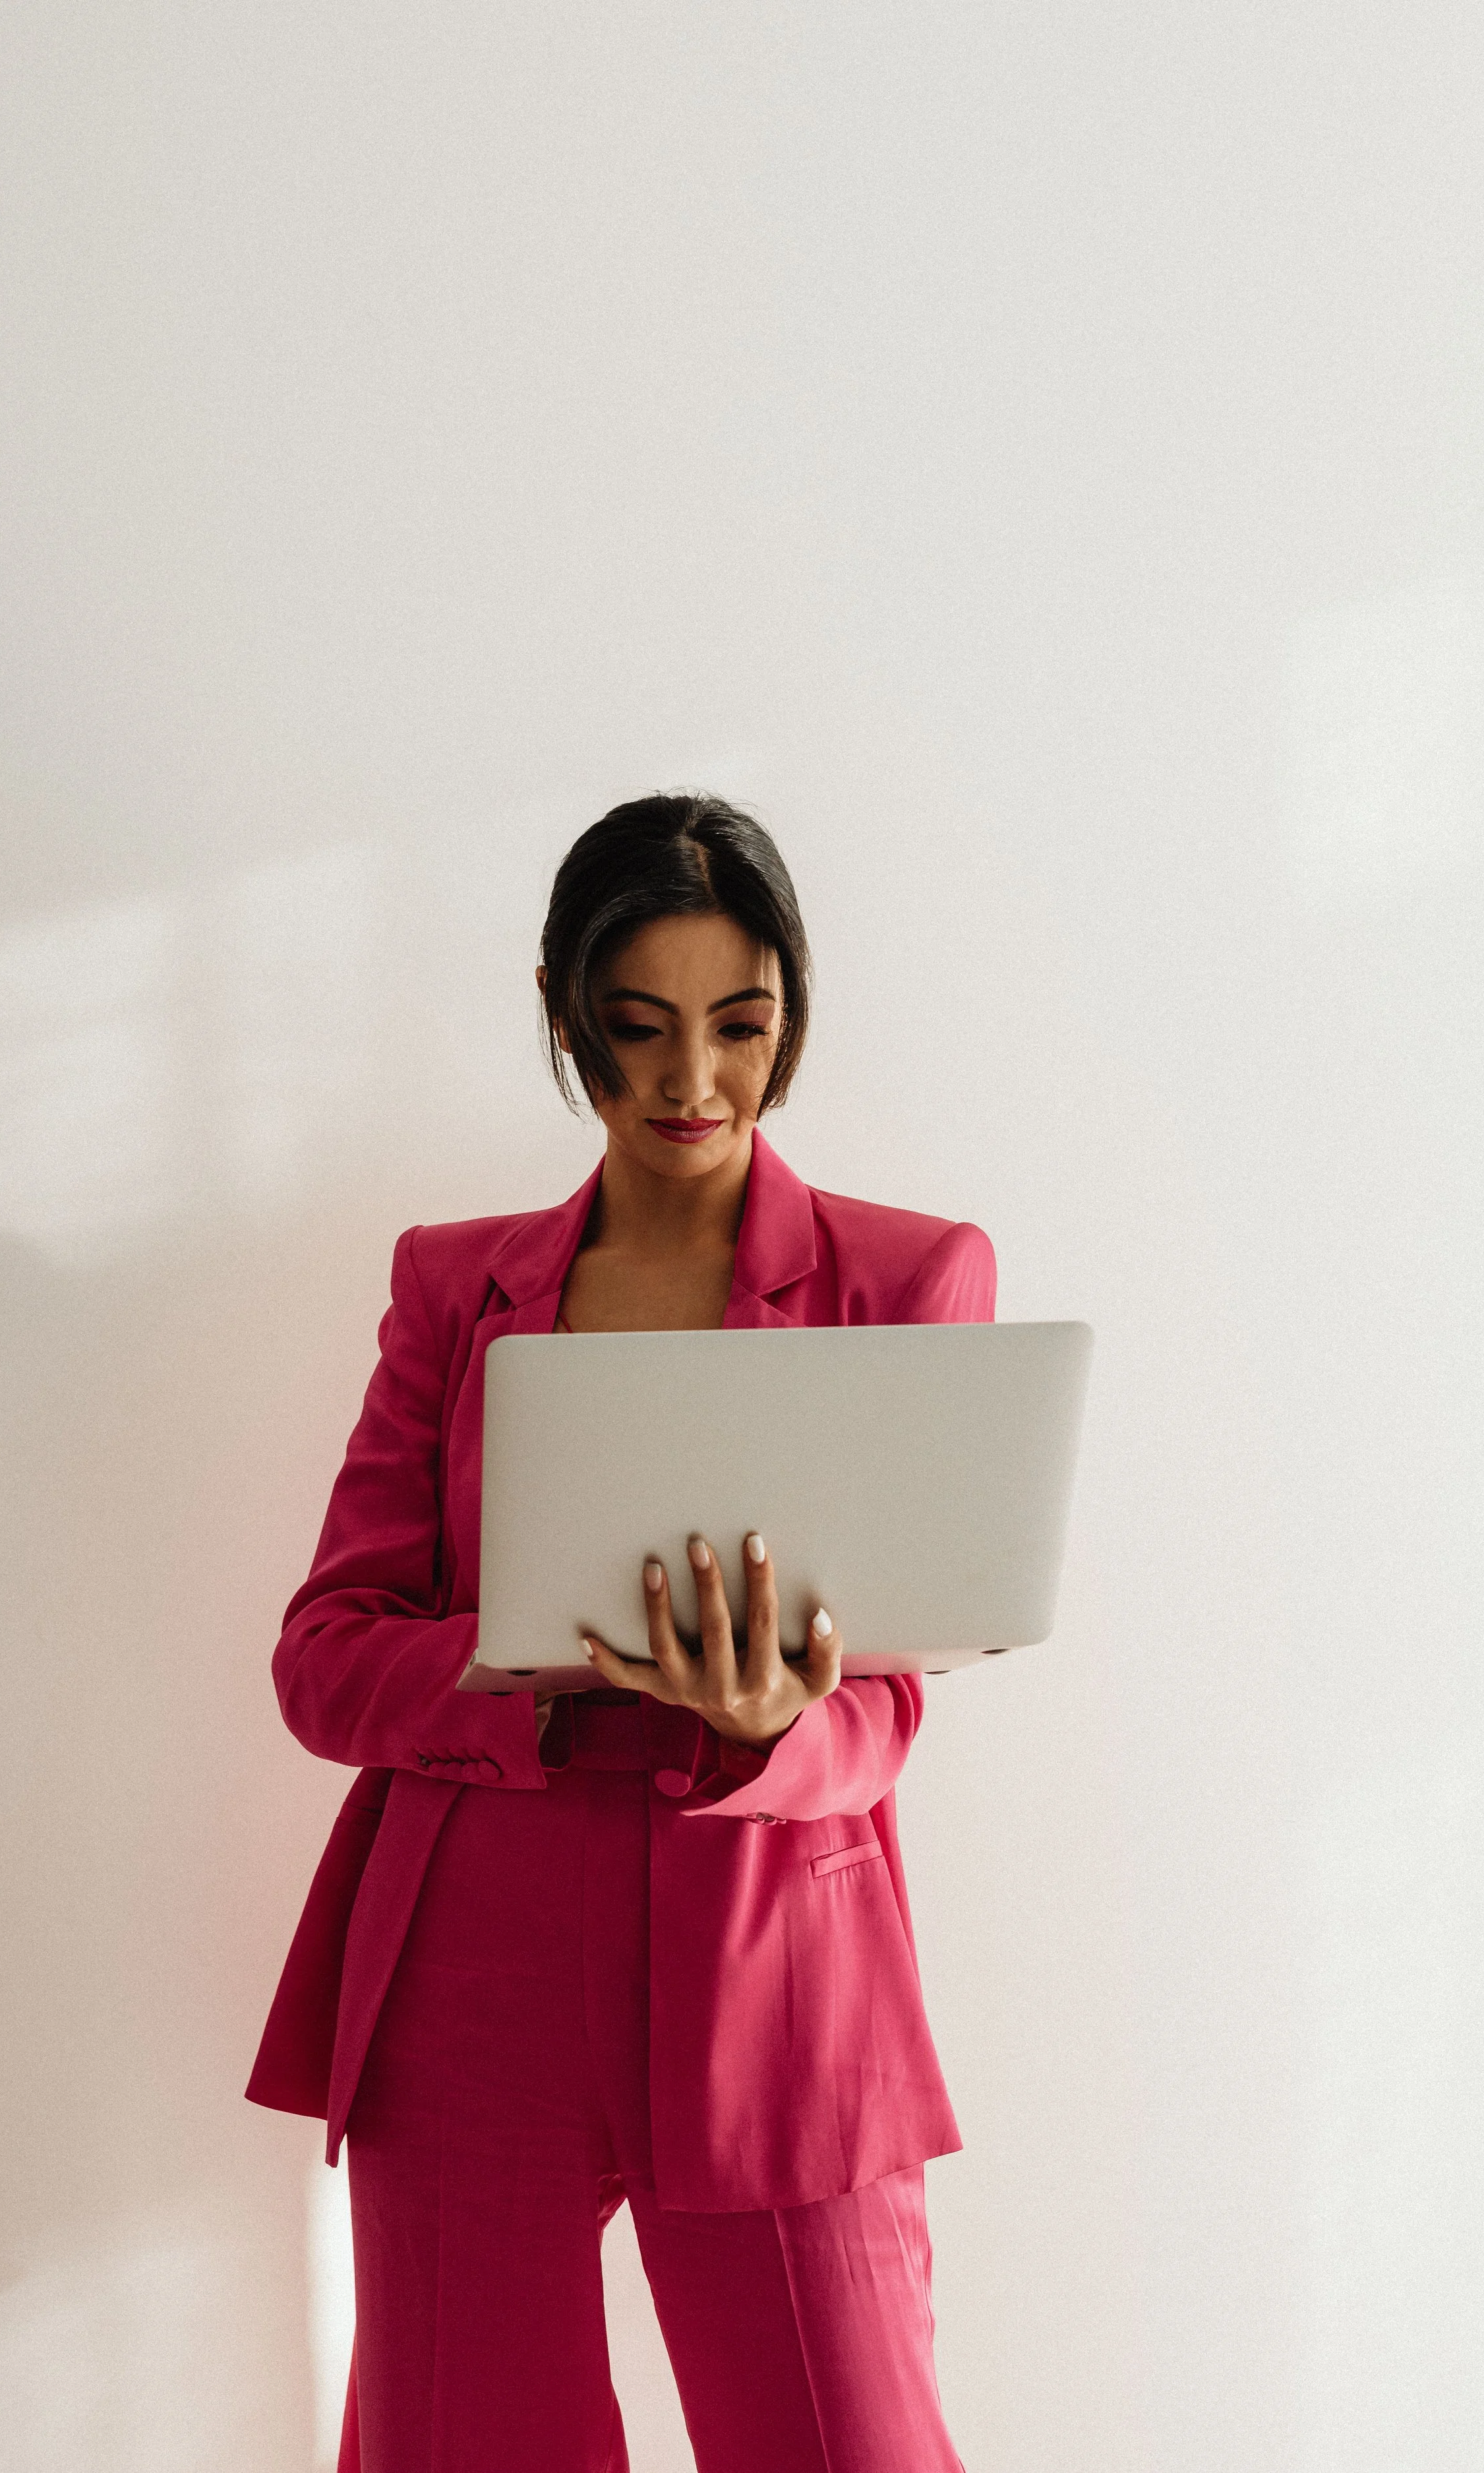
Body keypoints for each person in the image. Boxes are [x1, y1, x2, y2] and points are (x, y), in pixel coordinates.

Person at [247, 793, 997, 2472]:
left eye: (738, 1026)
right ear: (562, 1011)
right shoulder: (456, 1289)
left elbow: (894, 1696)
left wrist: (777, 1721)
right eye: (635, 1030)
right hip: (472, 1956)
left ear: (789, 1009)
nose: (688, 1084)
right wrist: (542, 1676)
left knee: (845, 2442)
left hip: (772, 1961)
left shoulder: (906, 1278)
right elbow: (325, 1653)